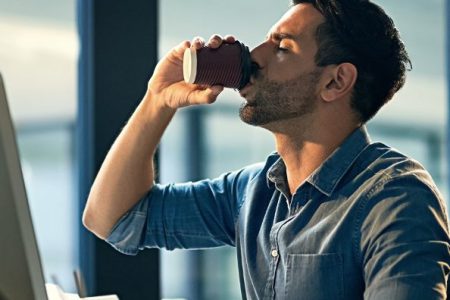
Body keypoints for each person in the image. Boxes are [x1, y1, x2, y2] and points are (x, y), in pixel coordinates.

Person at [82, 0, 450, 299]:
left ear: (335, 81)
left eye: (282, 47)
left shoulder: (394, 199)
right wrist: (157, 100)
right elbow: (113, 220)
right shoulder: (252, 192)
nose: (254, 56)